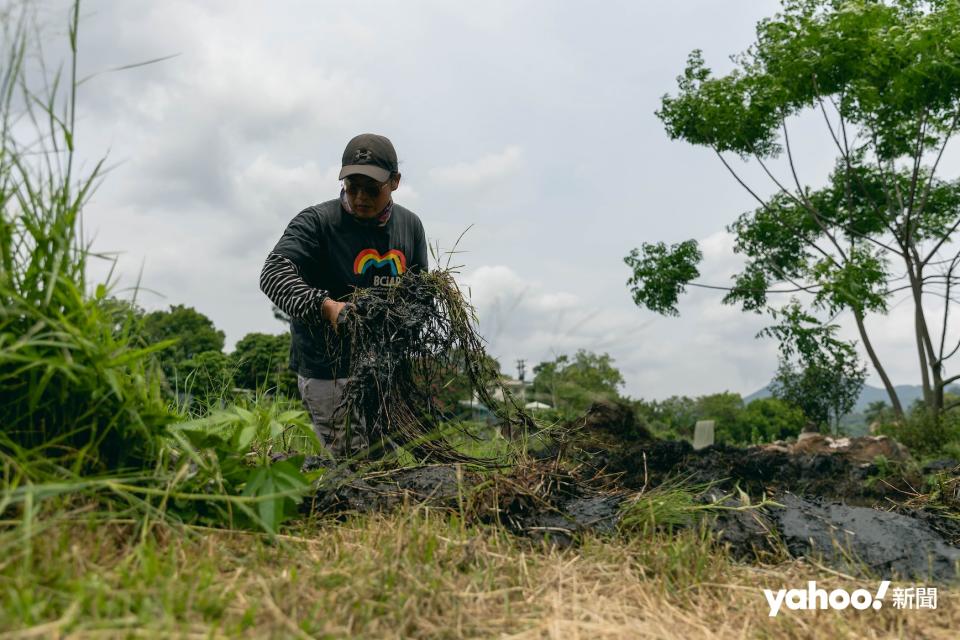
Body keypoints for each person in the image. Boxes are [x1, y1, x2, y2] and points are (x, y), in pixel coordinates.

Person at [259, 133, 428, 460]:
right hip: (327, 369)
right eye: (353, 186)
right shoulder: (317, 222)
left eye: (371, 188)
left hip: (384, 370)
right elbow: (273, 273)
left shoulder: (410, 227)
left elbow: (420, 295)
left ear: (394, 182)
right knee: (352, 464)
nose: (361, 197)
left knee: (385, 460)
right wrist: (328, 308)